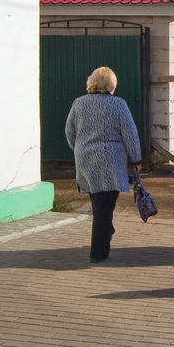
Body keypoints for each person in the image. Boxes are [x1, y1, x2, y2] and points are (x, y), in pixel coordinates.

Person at [65, 66, 142, 263]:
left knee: (99, 202)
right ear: (111, 85)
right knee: (104, 207)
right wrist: (136, 159)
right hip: (110, 162)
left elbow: (69, 131)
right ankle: (98, 252)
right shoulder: (119, 104)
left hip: (85, 160)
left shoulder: (78, 103)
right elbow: (130, 134)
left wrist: (79, 149)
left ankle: (106, 229)